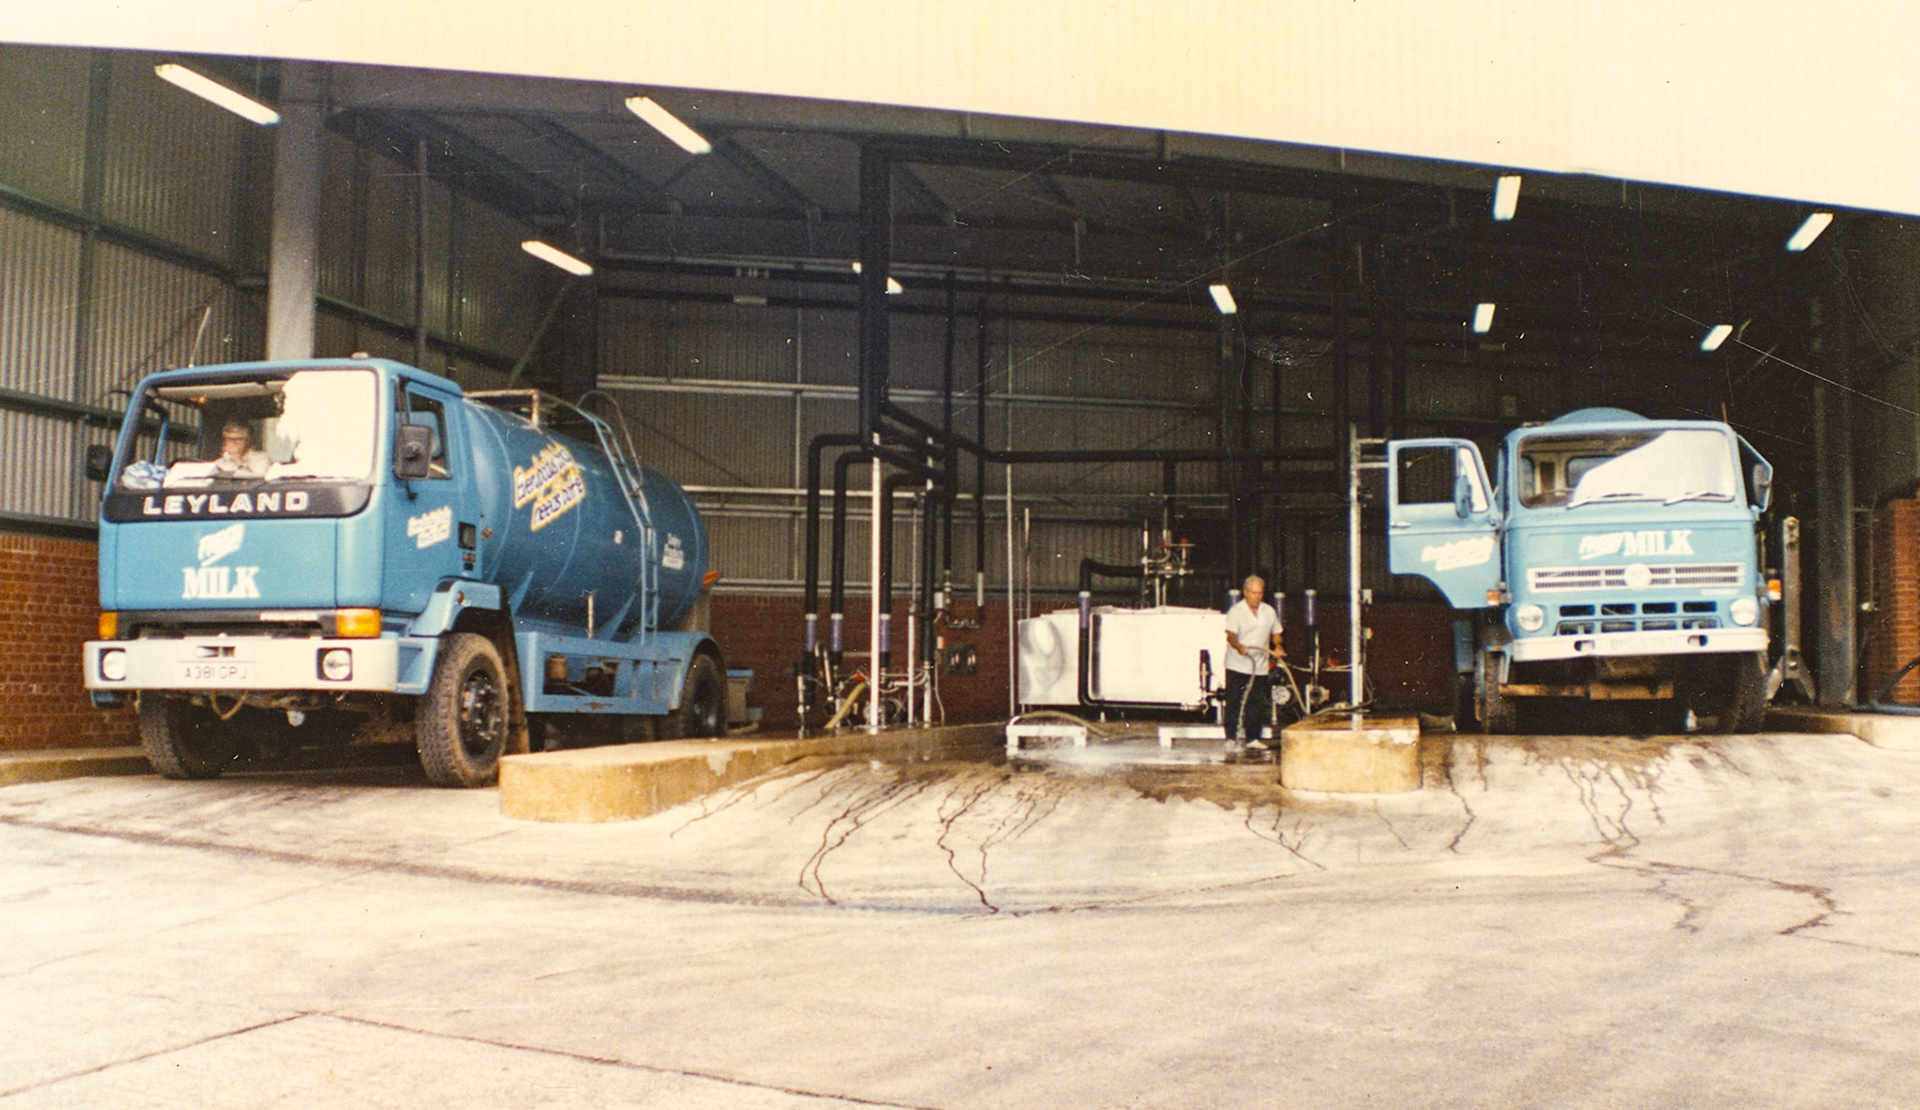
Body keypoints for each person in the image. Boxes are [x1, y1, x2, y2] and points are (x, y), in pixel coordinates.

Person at [1223, 575, 1284, 750]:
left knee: (1255, 702)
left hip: (1260, 665)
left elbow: (1276, 633)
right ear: (1245, 592)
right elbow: (1231, 636)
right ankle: (1231, 738)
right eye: (1254, 593)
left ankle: (1251, 738)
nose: (1257, 597)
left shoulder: (1269, 611)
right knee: (1234, 700)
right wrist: (1238, 646)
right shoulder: (1236, 611)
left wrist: (1278, 646)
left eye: (1260, 593)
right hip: (1238, 664)